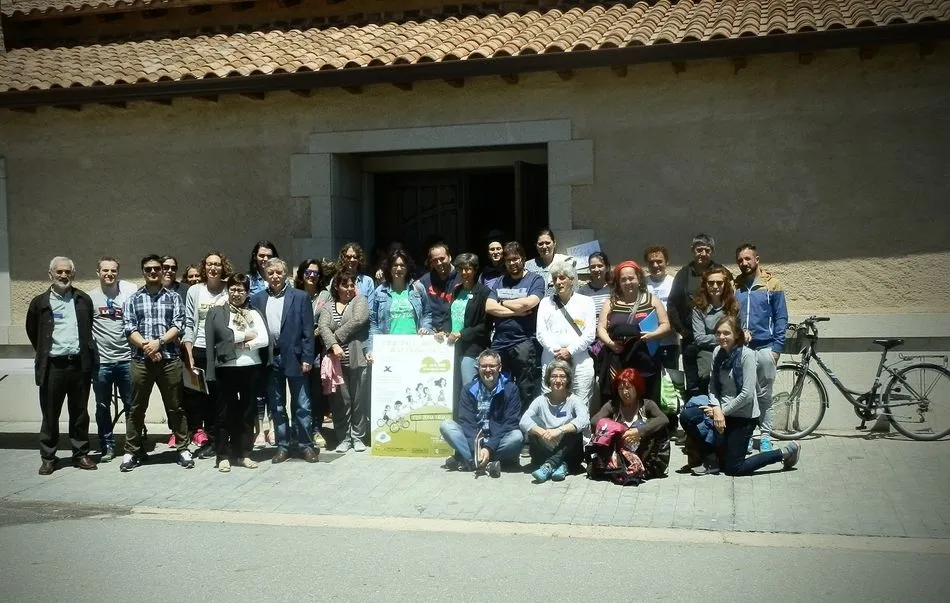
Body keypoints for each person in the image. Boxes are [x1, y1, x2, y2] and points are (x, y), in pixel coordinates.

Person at [679, 316, 800, 475]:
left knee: (733, 469)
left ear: (736, 335)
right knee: (688, 416)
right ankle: (712, 457)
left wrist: (722, 412)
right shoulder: (717, 351)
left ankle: (785, 452)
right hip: (721, 412)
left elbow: (747, 395)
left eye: (726, 333)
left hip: (743, 416)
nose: (721, 337)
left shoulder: (747, 355)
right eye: (718, 333)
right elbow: (713, 386)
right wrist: (716, 408)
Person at [26, 256, 97, 475]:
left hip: (78, 366)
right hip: (53, 367)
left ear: (73, 274)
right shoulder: (40, 302)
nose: (63, 275)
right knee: (50, 414)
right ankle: (48, 457)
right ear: (51, 275)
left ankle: (80, 454)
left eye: (67, 272)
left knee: (79, 413)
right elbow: (33, 331)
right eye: (59, 272)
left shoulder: (83, 299)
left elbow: (89, 329)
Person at [120, 254, 192, 471]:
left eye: (156, 269)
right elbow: (128, 328)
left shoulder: (173, 297)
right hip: (141, 361)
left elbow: (179, 324)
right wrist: (147, 347)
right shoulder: (133, 299)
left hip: (169, 360)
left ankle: (182, 448)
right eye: (148, 269)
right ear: (143, 272)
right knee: (136, 408)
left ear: (162, 271)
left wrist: (158, 343)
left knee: (176, 406)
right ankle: (131, 451)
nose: (153, 272)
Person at [250, 258, 318, 463]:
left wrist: (307, 357)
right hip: (271, 358)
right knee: (277, 406)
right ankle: (283, 446)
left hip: (296, 358)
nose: (275, 276)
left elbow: (308, 331)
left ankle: (306, 446)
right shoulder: (258, 299)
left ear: (285, 273)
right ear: (265, 276)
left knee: (302, 404)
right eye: (270, 273)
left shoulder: (300, 297)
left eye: (279, 272)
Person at [204, 273, 270, 472]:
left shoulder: (255, 313)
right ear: (228, 290)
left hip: (250, 367)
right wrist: (245, 336)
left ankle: (244, 454)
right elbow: (221, 337)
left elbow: (264, 339)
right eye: (232, 289)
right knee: (224, 412)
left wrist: (243, 344)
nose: (236, 293)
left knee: (247, 413)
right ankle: (223, 455)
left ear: (247, 292)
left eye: (241, 289)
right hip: (226, 368)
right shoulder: (217, 312)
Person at [735, 244, 788, 453]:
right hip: (743, 349)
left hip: (766, 347)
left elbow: (781, 317)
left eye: (748, 259)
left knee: (764, 395)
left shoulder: (772, 285)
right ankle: (748, 435)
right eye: (740, 260)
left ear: (757, 259)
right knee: (746, 395)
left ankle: (765, 436)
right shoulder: (735, 286)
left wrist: (777, 348)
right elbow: (730, 317)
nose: (744, 263)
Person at [595, 261, 671, 408]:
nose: (628, 282)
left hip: (645, 358)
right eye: (623, 279)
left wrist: (652, 335)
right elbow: (601, 329)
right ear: (618, 282)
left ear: (638, 279)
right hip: (618, 358)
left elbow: (666, 325)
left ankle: (648, 427)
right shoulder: (611, 303)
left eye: (631, 278)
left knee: (647, 395)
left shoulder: (652, 300)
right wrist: (611, 344)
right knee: (619, 394)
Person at [439, 349, 523, 477]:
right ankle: (486, 463)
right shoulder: (468, 390)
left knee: (517, 437)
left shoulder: (511, 389)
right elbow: (467, 423)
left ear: (499, 368)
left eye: (492, 366)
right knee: (447, 426)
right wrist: (477, 448)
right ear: (478, 368)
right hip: (473, 438)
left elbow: (510, 423)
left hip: (498, 439)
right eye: (483, 366)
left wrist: (489, 447)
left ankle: (469, 460)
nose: (487, 370)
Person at [87, 256, 137, 463]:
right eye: (105, 270)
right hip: (102, 363)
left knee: (131, 406)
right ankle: (107, 445)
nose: (109, 274)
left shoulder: (127, 296)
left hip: (126, 360)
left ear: (118, 273)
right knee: (102, 406)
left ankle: (132, 445)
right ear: (98, 272)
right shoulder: (89, 298)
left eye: (113, 271)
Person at [182, 251, 231, 458]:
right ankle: (211, 440)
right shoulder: (195, 290)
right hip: (201, 349)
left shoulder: (229, 290)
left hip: (222, 351)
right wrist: (189, 352)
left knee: (222, 397)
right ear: (204, 267)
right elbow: (189, 323)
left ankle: (223, 439)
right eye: (209, 264)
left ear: (223, 267)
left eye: (217, 264)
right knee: (203, 399)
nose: (213, 268)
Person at [485, 241, 545, 411]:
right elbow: (489, 307)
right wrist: (514, 312)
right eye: (508, 260)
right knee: (496, 384)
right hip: (500, 341)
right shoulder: (500, 281)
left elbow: (528, 304)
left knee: (525, 387)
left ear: (523, 259)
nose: (512, 263)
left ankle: (524, 426)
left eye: (516, 259)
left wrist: (502, 302)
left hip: (523, 342)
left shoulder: (535, 279)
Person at [667, 234, 730, 395]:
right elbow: (673, 304)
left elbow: (730, 299)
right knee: (693, 382)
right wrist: (681, 330)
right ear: (692, 251)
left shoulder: (721, 271)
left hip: (715, 339)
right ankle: (694, 412)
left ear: (712, 252)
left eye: (707, 250)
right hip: (690, 339)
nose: (702, 253)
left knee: (713, 382)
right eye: (699, 250)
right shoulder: (683, 274)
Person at [318, 270, 370, 453]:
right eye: (344, 285)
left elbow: (358, 319)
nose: (349, 289)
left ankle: (358, 437)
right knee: (341, 401)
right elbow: (322, 326)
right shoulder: (328, 306)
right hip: (336, 363)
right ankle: (344, 438)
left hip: (357, 359)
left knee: (358, 400)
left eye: (351, 285)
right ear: (336, 287)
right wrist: (333, 346)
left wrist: (336, 337)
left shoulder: (359, 301)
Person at [434, 252, 491, 414]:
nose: (465, 273)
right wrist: (443, 332)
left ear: (475, 270)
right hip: (452, 347)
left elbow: (484, 326)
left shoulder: (484, 292)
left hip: (471, 349)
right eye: (461, 270)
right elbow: (448, 317)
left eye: (468, 269)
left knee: (469, 388)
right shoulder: (457, 290)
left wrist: (461, 334)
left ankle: (474, 423)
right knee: (452, 387)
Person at [536, 260, 596, 408]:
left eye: (562, 278)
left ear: (572, 280)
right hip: (551, 359)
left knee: (581, 405)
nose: (558, 282)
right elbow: (541, 333)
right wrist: (557, 351)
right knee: (551, 404)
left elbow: (589, 334)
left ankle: (579, 432)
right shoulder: (545, 303)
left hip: (580, 361)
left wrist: (570, 351)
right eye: (555, 278)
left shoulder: (587, 302)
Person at [591, 368, 670, 479]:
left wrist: (639, 432)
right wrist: (619, 429)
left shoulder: (647, 404)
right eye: (621, 389)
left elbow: (664, 419)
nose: (625, 392)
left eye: (628, 388)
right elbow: (595, 420)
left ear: (636, 387)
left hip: (644, 453)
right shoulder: (613, 405)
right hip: (619, 453)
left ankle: (643, 467)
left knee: (651, 426)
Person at [519, 360, 590, 483]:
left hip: (569, 451)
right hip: (545, 448)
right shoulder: (540, 401)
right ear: (548, 379)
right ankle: (558, 465)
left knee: (574, 431)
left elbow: (584, 420)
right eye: (554, 376)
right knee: (532, 426)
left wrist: (559, 431)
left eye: (562, 376)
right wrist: (543, 433)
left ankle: (549, 466)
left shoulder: (574, 400)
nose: (558, 380)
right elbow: (523, 421)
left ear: (568, 380)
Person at [296, 257, 337, 449]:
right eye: (308, 272)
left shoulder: (325, 295)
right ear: (302, 274)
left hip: (317, 350)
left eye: (315, 273)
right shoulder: (295, 294)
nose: (311, 276)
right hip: (298, 349)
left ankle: (316, 429)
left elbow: (327, 322)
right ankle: (299, 430)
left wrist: (313, 333)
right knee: (299, 392)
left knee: (316, 392)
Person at [367, 248, 432, 360]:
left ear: (407, 268)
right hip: (389, 348)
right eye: (395, 265)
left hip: (415, 347)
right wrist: (371, 348)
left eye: (402, 265)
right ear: (389, 268)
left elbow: (427, 313)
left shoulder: (418, 288)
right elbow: (374, 323)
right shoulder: (380, 291)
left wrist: (426, 327)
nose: (399, 268)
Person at [689, 267, 739, 396]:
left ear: (725, 285)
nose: (715, 286)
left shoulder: (733, 306)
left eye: (719, 282)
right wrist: (725, 338)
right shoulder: (698, 309)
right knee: (708, 376)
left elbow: (739, 332)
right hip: (707, 352)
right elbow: (699, 338)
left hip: (731, 351)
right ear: (705, 285)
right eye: (711, 283)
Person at [643, 245, 679, 371]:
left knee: (671, 380)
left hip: (670, 342)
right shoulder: (642, 284)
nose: (655, 265)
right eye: (651, 262)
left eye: (659, 261)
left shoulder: (674, 283)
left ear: (667, 262)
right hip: (648, 342)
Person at [419, 241, 461, 335]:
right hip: (432, 334)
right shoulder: (424, 281)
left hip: (456, 333)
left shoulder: (462, 277)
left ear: (450, 257)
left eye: (442, 258)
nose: (439, 263)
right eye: (435, 260)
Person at [524, 228, 575, 297]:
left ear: (554, 243)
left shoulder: (566, 262)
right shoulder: (528, 266)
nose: (544, 247)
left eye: (547, 243)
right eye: (540, 244)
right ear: (536, 245)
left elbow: (574, 289)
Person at [577, 251, 611, 324]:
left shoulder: (614, 289)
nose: (596, 269)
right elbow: (576, 317)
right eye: (592, 267)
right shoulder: (582, 292)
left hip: (611, 333)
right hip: (591, 333)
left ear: (607, 268)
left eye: (600, 266)